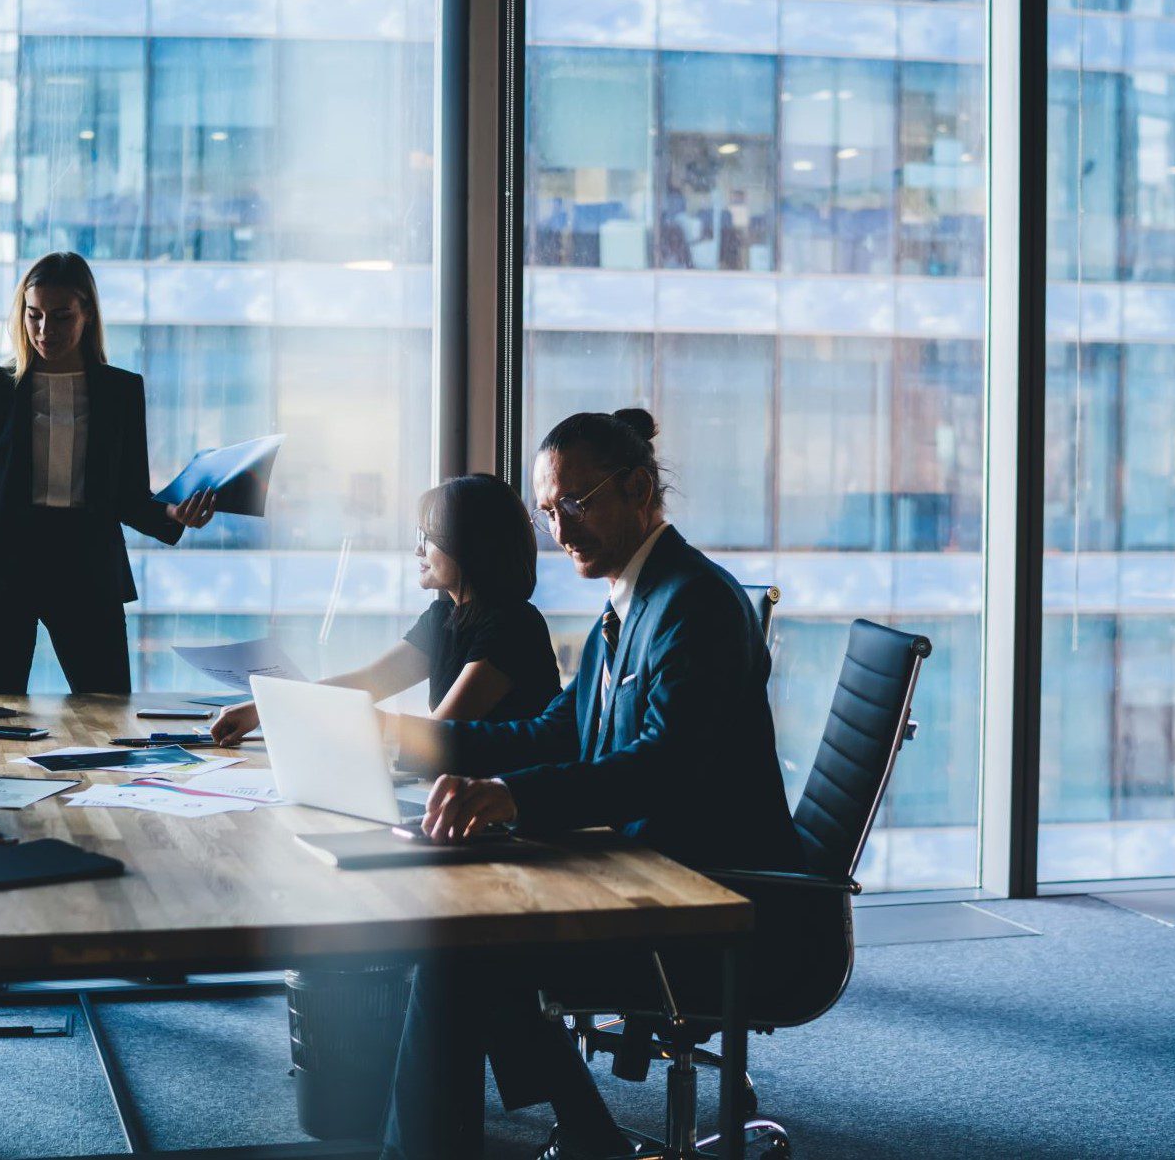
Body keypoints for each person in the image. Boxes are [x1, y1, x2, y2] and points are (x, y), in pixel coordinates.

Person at [378, 409, 803, 1160]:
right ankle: (586, 1135)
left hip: (706, 901)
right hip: (644, 871)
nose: (560, 529)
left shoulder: (693, 606)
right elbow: (555, 730)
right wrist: (416, 743)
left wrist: (513, 797)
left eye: (576, 503)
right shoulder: (629, 604)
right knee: (462, 932)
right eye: (547, 511)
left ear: (640, 489)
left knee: (460, 948)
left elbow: (659, 767)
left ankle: (569, 1137)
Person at [0, 251, 216, 695]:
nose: (45, 330)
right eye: (34, 316)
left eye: (62, 316)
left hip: (88, 571)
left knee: (108, 717)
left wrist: (173, 516)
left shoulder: (121, 391)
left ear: (87, 314)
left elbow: (127, 496)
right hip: (4, 572)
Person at [209, 474, 560, 746]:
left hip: (501, 806)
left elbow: (442, 734)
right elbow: (367, 682)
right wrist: (265, 708)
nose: (418, 550)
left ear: (472, 545)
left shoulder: (514, 626)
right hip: (458, 791)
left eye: (429, 537)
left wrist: (358, 722)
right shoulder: (442, 618)